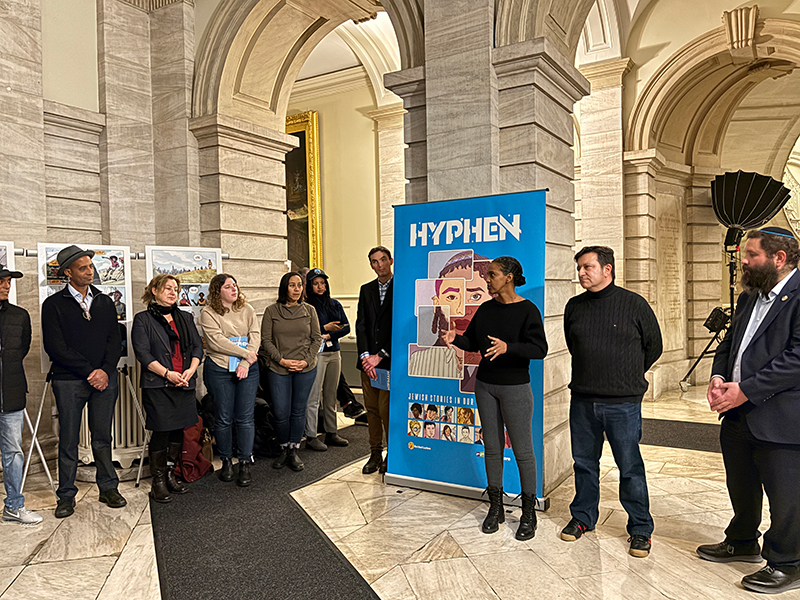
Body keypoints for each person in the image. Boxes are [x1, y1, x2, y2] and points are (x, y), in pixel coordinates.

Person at [697, 227, 800, 594]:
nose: (743, 261)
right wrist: (718, 376)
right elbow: (729, 343)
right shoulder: (748, 297)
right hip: (738, 413)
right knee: (740, 483)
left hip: (781, 416)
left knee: (786, 495)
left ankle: (788, 562)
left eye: (751, 255)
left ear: (779, 258)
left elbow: (797, 358)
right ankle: (742, 540)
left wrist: (746, 390)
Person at [561, 246, 662, 558]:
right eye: (579, 268)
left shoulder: (634, 304)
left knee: (629, 467)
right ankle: (583, 517)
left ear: (607, 269)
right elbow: (574, 345)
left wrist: (626, 375)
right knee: (584, 463)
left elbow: (654, 346)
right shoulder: (574, 306)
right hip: (583, 400)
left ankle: (641, 528)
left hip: (623, 403)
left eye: (587, 267)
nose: (581, 273)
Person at [444, 256, 548, 541]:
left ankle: (528, 512)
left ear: (509, 277)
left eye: (492, 275)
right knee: (492, 447)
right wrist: (455, 338)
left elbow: (539, 349)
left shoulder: (528, 310)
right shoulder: (486, 309)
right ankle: (496, 507)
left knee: (523, 451)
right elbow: (472, 342)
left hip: (515, 388)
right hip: (485, 386)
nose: (487, 279)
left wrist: (508, 348)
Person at [41, 245, 125, 518]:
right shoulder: (53, 305)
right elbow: (55, 347)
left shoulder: (104, 301)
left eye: (91, 266)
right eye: (83, 268)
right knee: (68, 439)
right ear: (68, 272)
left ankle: (108, 488)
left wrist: (105, 371)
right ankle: (66, 495)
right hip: (68, 380)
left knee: (102, 437)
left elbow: (115, 340)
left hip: (105, 378)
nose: (90, 272)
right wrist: (90, 372)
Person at [131, 274, 202, 503]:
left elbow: (197, 347)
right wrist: (167, 374)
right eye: (168, 288)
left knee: (179, 430)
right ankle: (158, 481)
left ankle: (171, 474)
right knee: (161, 431)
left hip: (184, 381)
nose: (173, 292)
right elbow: (143, 354)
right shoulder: (143, 319)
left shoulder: (185, 317)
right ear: (154, 290)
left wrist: (190, 370)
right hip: (159, 383)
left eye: (176, 289)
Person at [199, 273, 260, 487]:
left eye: (235, 285)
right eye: (228, 286)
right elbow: (217, 341)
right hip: (219, 368)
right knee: (224, 417)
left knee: (245, 417)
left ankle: (244, 462)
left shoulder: (247, 309)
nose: (234, 289)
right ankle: (226, 460)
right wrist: (245, 354)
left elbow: (255, 336)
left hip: (247, 368)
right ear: (217, 291)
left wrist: (245, 362)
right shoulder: (208, 313)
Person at [261, 272, 322, 471]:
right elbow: (266, 341)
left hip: (305, 368)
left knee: (298, 410)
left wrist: (305, 361)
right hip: (279, 368)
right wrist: (282, 360)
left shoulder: (309, 310)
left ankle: (294, 449)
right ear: (284, 288)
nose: (296, 289)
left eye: (299, 285)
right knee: (281, 412)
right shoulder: (272, 311)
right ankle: (283, 448)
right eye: (292, 285)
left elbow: (316, 339)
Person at [0, 264, 43, 524]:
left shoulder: (20, 315)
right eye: (2, 281)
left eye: (8, 281)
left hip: (12, 393)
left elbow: (22, 349)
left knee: (13, 452)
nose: (7, 286)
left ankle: (14, 506)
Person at [356, 246, 394, 474]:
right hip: (367, 363)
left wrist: (380, 356)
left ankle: (392, 453)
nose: (379, 265)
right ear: (370, 265)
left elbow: (399, 326)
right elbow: (361, 324)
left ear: (391, 260)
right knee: (371, 409)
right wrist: (365, 357)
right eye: (374, 261)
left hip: (388, 361)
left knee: (386, 409)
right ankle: (375, 453)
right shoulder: (366, 289)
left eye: (383, 260)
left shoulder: (401, 287)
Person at [303, 268, 350, 451]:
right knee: (314, 396)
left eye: (322, 283)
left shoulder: (334, 304)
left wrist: (328, 334)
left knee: (331, 394)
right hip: (317, 354)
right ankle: (311, 435)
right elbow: (307, 330)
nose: (320, 286)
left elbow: (346, 327)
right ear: (310, 286)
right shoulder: (307, 306)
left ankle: (332, 432)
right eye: (316, 283)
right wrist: (326, 327)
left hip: (334, 352)